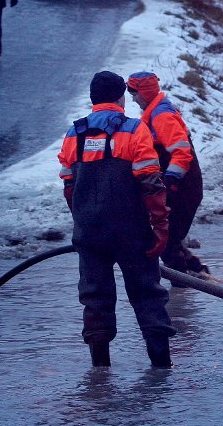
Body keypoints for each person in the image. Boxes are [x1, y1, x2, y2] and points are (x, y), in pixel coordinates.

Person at [58, 71, 175, 368]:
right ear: (121, 97)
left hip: (90, 234)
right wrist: (160, 225)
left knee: (95, 300)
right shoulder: (135, 130)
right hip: (132, 233)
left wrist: (84, 224)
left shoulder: (74, 134)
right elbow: (151, 182)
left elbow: (69, 186)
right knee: (148, 295)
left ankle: (100, 376)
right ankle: (161, 368)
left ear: (92, 99)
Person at [126, 71, 209, 276]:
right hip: (181, 188)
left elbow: (181, 152)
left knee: (166, 241)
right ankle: (199, 275)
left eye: (134, 93)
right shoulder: (156, 113)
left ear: (144, 93)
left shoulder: (161, 116)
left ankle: (181, 293)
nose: (132, 99)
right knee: (169, 239)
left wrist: (170, 183)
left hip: (183, 189)